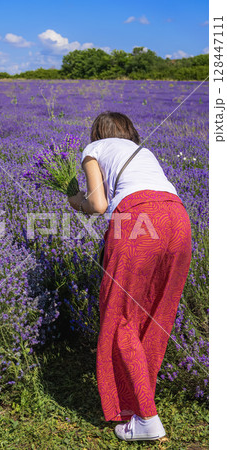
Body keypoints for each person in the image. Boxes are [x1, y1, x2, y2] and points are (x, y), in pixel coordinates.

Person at [68, 111, 192, 442]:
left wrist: (72, 198)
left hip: (138, 222)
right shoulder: (144, 151)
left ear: (96, 132)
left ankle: (147, 419)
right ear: (130, 131)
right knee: (157, 315)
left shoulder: (93, 150)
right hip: (178, 219)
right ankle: (140, 407)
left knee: (120, 317)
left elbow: (97, 204)